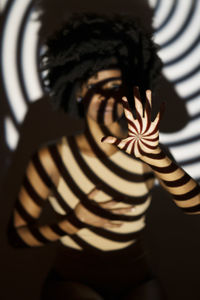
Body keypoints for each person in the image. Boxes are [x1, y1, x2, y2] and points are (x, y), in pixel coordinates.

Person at [7, 13, 200, 300]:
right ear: (77, 91)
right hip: (71, 279)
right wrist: (72, 223)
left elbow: (196, 206)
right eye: (92, 84)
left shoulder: (147, 150)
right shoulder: (52, 157)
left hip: (138, 278)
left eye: (113, 86)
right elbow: (16, 236)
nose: (104, 96)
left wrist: (156, 156)